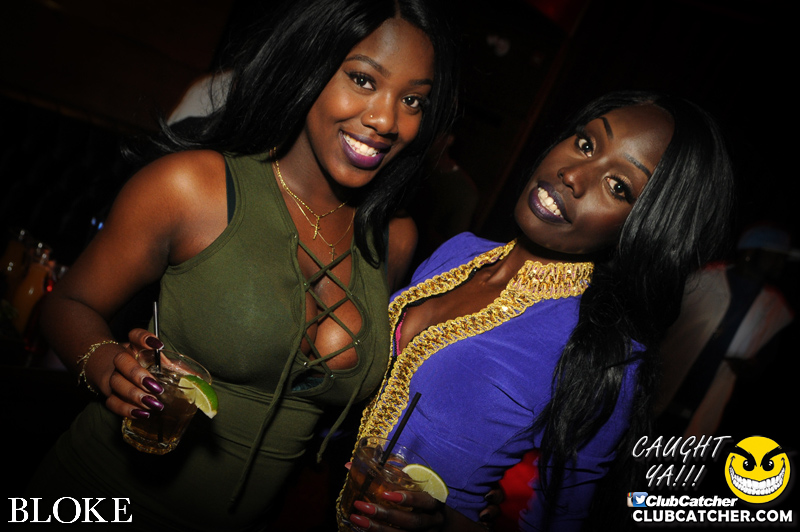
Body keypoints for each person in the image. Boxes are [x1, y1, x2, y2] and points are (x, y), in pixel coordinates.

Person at [27, 0, 459, 530]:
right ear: (310, 65)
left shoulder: (392, 237)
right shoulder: (193, 187)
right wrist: (107, 365)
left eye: (412, 100)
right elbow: (68, 303)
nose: (386, 120)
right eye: (363, 80)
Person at [337, 91, 735, 531]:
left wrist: (444, 525)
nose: (573, 175)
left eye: (618, 187)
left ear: (642, 229)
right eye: (586, 143)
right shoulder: (459, 251)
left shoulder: (604, 354)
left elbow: (561, 522)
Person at [654, 222, 795, 437]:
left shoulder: (778, 310)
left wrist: (752, 368)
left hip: (706, 411)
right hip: (656, 396)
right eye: (775, 256)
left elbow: (766, 363)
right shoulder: (700, 279)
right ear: (749, 254)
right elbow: (658, 326)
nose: (781, 263)